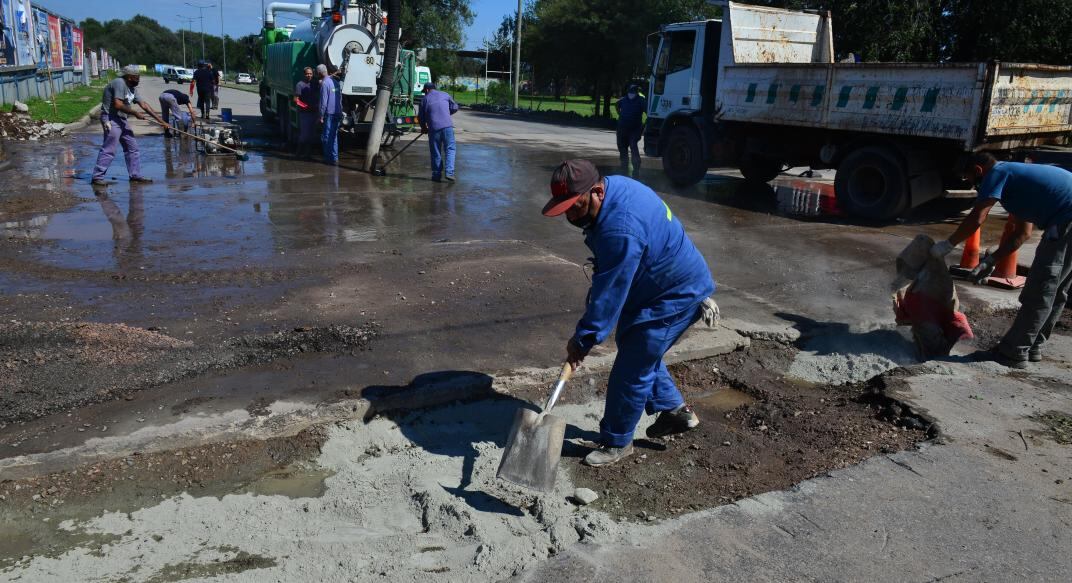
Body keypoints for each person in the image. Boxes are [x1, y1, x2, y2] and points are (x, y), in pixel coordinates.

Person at [542, 159, 717, 467]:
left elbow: (609, 296)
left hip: (674, 293)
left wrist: (583, 340)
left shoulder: (619, 229)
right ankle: (675, 412)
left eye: (576, 206)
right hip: (658, 281)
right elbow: (613, 276)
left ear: (596, 191)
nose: (570, 215)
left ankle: (617, 442)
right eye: (565, 208)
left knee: (631, 367)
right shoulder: (615, 189)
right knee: (636, 346)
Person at [931, 152, 1072, 368]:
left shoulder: (998, 172)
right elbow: (1022, 234)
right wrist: (991, 261)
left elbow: (978, 216)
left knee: (1041, 288)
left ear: (978, 170)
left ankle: (1013, 353)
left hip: (1065, 221)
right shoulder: (1016, 184)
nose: (971, 184)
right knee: (1057, 288)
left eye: (969, 179)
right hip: (1066, 218)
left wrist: (948, 244)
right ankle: (1032, 347)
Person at [91, 65, 168, 187]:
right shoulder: (119, 83)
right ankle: (97, 177)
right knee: (109, 148)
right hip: (110, 118)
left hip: (121, 119)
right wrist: (135, 113)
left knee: (132, 147)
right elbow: (117, 104)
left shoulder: (132, 88)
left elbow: (144, 105)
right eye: (137, 77)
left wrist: (161, 121)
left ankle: (135, 175)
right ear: (130, 77)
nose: (138, 79)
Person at [418, 82, 459, 182]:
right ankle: (449, 173)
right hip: (447, 127)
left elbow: (421, 117)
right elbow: (455, 107)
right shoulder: (445, 94)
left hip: (434, 129)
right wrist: (446, 113)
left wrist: (423, 128)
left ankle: (436, 175)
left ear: (427, 90)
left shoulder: (424, 99)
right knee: (450, 150)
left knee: (436, 151)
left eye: (424, 92)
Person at [615, 84, 647, 178]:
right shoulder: (624, 100)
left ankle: (636, 169)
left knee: (633, 144)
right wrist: (620, 114)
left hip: (635, 128)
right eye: (630, 92)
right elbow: (617, 104)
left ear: (637, 92)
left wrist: (645, 124)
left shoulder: (641, 101)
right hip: (622, 127)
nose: (631, 94)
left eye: (633, 92)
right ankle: (624, 168)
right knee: (622, 147)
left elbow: (648, 112)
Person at [318, 64, 342, 165]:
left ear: (319, 73)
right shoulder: (336, 82)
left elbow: (323, 103)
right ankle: (335, 157)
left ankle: (328, 159)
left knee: (326, 136)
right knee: (334, 135)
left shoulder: (324, 84)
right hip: (338, 112)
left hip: (329, 114)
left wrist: (321, 116)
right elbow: (340, 98)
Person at [294, 66, 319, 158]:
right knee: (304, 135)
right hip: (304, 113)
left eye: (310, 74)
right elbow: (296, 99)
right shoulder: (299, 85)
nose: (309, 75)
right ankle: (298, 154)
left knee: (312, 135)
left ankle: (308, 154)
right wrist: (305, 106)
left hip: (314, 113)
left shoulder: (315, 83)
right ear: (304, 74)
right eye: (307, 74)